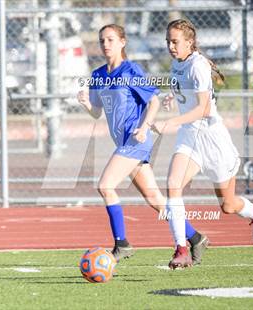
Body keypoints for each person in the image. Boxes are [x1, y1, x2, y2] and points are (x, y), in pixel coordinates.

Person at [77, 24, 208, 263]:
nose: (106, 44)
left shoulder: (130, 70)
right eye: (102, 40)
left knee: (106, 186)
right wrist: (86, 103)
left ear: (123, 42)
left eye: (111, 40)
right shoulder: (98, 75)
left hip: (136, 142)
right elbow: (97, 112)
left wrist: (145, 126)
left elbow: (154, 102)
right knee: (156, 200)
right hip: (124, 143)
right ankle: (196, 237)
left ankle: (122, 243)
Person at [159, 19, 253, 269]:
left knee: (228, 205)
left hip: (212, 139)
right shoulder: (178, 62)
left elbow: (204, 109)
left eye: (175, 41)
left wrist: (170, 121)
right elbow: (185, 92)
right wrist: (170, 97)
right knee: (173, 185)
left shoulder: (198, 65)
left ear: (189, 42)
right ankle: (181, 249)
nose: (171, 46)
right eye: (168, 41)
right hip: (189, 137)